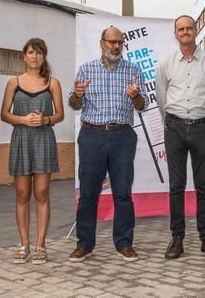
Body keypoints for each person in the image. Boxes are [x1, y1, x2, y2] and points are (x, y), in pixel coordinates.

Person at [67, 26, 147, 262]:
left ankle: (124, 243)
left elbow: (141, 106)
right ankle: (84, 244)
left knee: (123, 193)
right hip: (92, 136)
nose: (116, 47)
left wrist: (135, 96)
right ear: (102, 43)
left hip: (122, 136)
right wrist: (78, 94)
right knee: (88, 193)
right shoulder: (86, 69)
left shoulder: (133, 70)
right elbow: (74, 105)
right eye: (112, 42)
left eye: (120, 43)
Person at [155, 15, 205, 259]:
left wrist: (200, 114)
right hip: (174, 127)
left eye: (189, 28)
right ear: (175, 34)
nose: (185, 32)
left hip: (202, 127)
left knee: (203, 186)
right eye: (181, 29)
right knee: (176, 186)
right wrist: (176, 117)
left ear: (197, 31)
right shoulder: (165, 64)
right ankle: (177, 239)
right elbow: (162, 99)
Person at [0, 38, 64, 265]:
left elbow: (60, 115)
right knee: (21, 194)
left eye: (38, 53)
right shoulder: (13, 82)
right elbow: (4, 114)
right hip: (21, 139)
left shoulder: (52, 82)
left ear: (44, 56)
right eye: (30, 52)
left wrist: (45, 119)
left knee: (42, 193)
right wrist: (23, 119)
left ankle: (40, 245)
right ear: (24, 55)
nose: (34, 56)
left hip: (44, 139)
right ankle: (23, 244)